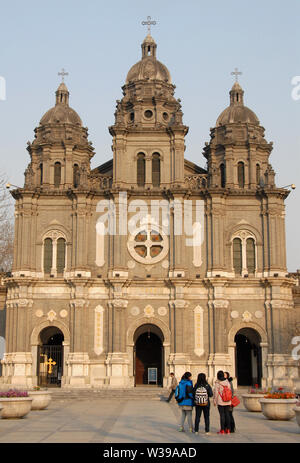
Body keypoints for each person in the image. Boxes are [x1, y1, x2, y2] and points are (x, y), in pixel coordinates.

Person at [213, 370, 232, 434]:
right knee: (227, 415)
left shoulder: (217, 383)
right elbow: (230, 391)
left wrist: (214, 401)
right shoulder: (227, 382)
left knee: (222, 415)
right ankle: (228, 429)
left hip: (221, 401)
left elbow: (216, 393)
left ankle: (222, 429)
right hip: (228, 401)